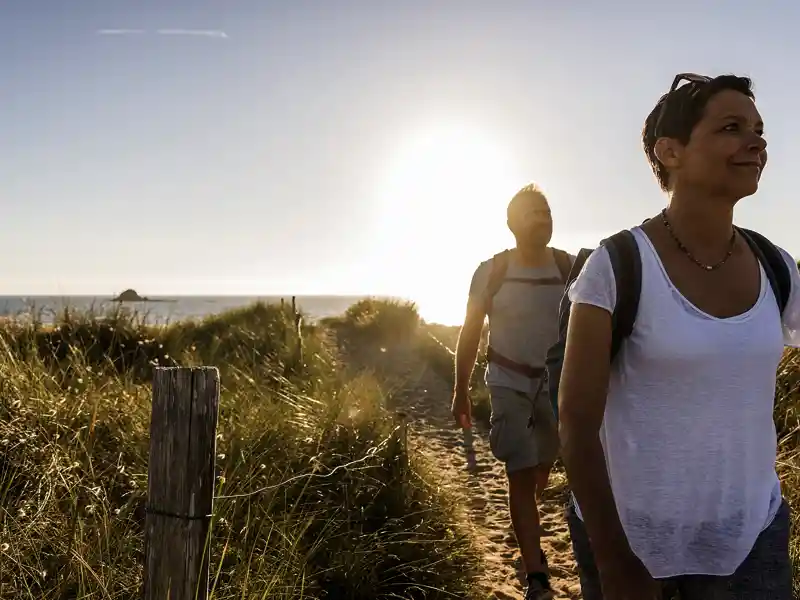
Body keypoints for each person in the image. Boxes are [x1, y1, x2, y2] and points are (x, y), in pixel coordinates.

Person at [559, 73, 799, 599]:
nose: (756, 142)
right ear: (671, 152)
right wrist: (614, 560)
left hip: (751, 535)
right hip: (636, 537)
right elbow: (576, 424)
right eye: (732, 128)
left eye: (759, 130)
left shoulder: (777, 267)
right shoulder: (617, 265)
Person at [452, 184, 574, 600]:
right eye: (532, 213)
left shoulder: (569, 268)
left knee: (541, 469)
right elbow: (470, 332)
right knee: (519, 472)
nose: (542, 218)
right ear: (511, 224)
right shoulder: (491, 271)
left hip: (554, 386)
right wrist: (460, 390)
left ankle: (526, 517)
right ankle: (536, 572)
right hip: (506, 381)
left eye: (547, 211)